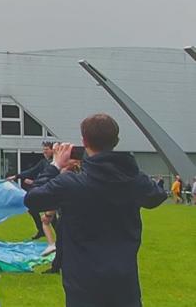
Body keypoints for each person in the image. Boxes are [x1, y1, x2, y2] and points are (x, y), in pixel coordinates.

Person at [25, 114, 167, 307]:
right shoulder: (131, 181)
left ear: (84, 141)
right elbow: (156, 195)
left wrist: (55, 166)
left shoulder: (71, 183)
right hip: (123, 278)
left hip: (83, 281)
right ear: (116, 141)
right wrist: (129, 168)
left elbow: (33, 199)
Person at [7, 141, 55, 240]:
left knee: (52, 216)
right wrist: (17, 176)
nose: (44, 152)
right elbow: (32, 171)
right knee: (33, 209)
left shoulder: (55, 164)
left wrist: (33, 182)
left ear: (52, 150)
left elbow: (50, 178)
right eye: (44, 150)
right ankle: (41, 231)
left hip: (54, 193)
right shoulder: (43, 162)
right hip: (46, 191)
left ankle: (61, 237)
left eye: (46, 150)